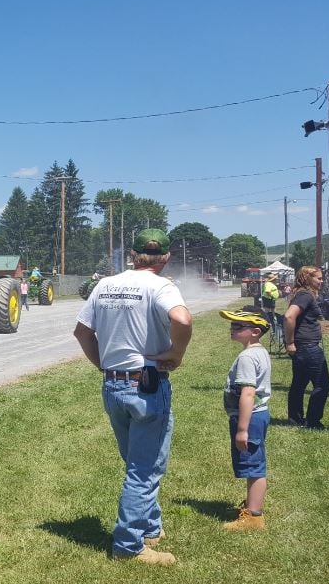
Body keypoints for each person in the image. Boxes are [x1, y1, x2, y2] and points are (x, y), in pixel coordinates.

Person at [73, 228, 192, 566]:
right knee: (144, 469)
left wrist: (103, 364)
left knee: (137, 463)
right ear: (166, 257)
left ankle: (150, 527)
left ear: (132, 254)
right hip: (147, 386)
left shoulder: (105, 284)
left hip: (113, 386)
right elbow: (182, 319)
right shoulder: (161, 286)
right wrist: (176, 353)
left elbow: (82, 331)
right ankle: (128, 545)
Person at [218, 309, 272, 531]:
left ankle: (253, 517)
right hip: (256, 416)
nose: (233, 328)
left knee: (253, 466)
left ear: (255, 331)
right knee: (253, 463)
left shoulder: (248, 357)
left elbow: (248, 393)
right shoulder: (258, 352)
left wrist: (242, 429)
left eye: (239, 326)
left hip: (249, 418)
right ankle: (251, 506)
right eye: (232, 325)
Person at [283, 265, 329, 429]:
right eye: (319, 278)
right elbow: (289, 316)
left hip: (302, 346)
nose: (322, 281)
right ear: (308, 278)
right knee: (323, 384)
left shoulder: (301, 294)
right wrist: (289, 342)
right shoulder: (305, 295)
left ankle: (295, 419)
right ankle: (313, 422)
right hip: (308, 346)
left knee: (299, 383)